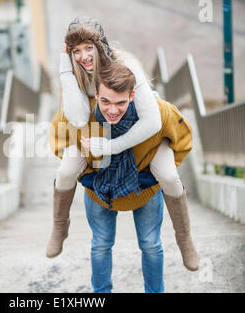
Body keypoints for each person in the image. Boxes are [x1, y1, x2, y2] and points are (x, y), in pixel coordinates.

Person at [46, 16, 199, 272]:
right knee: (65, 172)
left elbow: (151, 123)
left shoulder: (126, 65)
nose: (83, 56)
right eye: (76, 51)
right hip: (95, 132)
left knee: (169, 176)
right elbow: (77, 116)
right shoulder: (74, 71)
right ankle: (60, 226)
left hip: (145, 135)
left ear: (100, 45)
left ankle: (185, 239)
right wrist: (65, 67)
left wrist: (111, 147)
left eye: (88, 47)